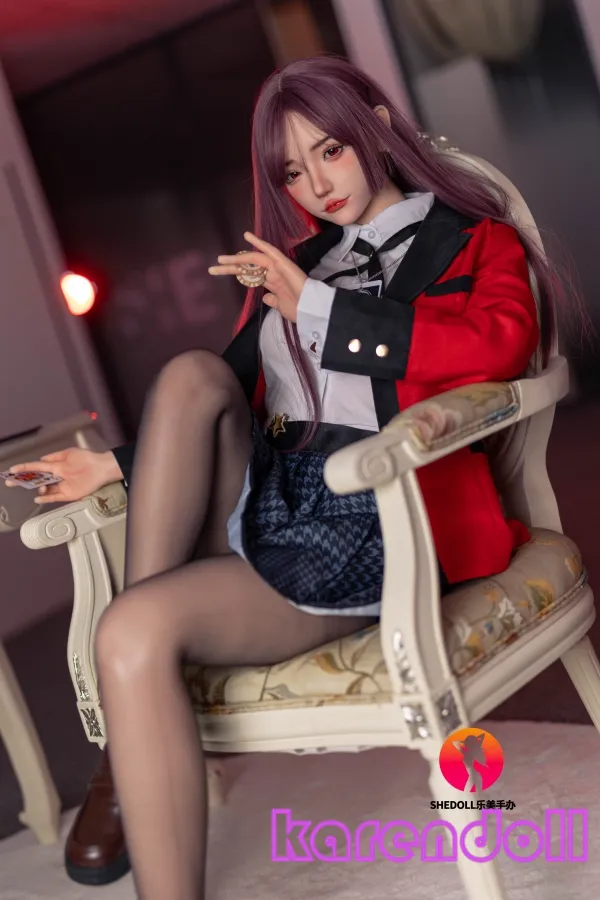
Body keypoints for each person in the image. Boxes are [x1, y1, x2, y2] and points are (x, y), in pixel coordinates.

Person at [8, 54, 564, 897]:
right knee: (192, 373)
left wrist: (320, 308)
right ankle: (130, 745)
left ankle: (124, 754)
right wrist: (108, 466)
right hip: (274, 501)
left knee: (128, 631)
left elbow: (500, 346)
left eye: (329, 151)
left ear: (377, 127)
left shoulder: (473, 238)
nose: (316, 185)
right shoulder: (301, 262)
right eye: (292, 172)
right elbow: (225, 396)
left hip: (378, 515)